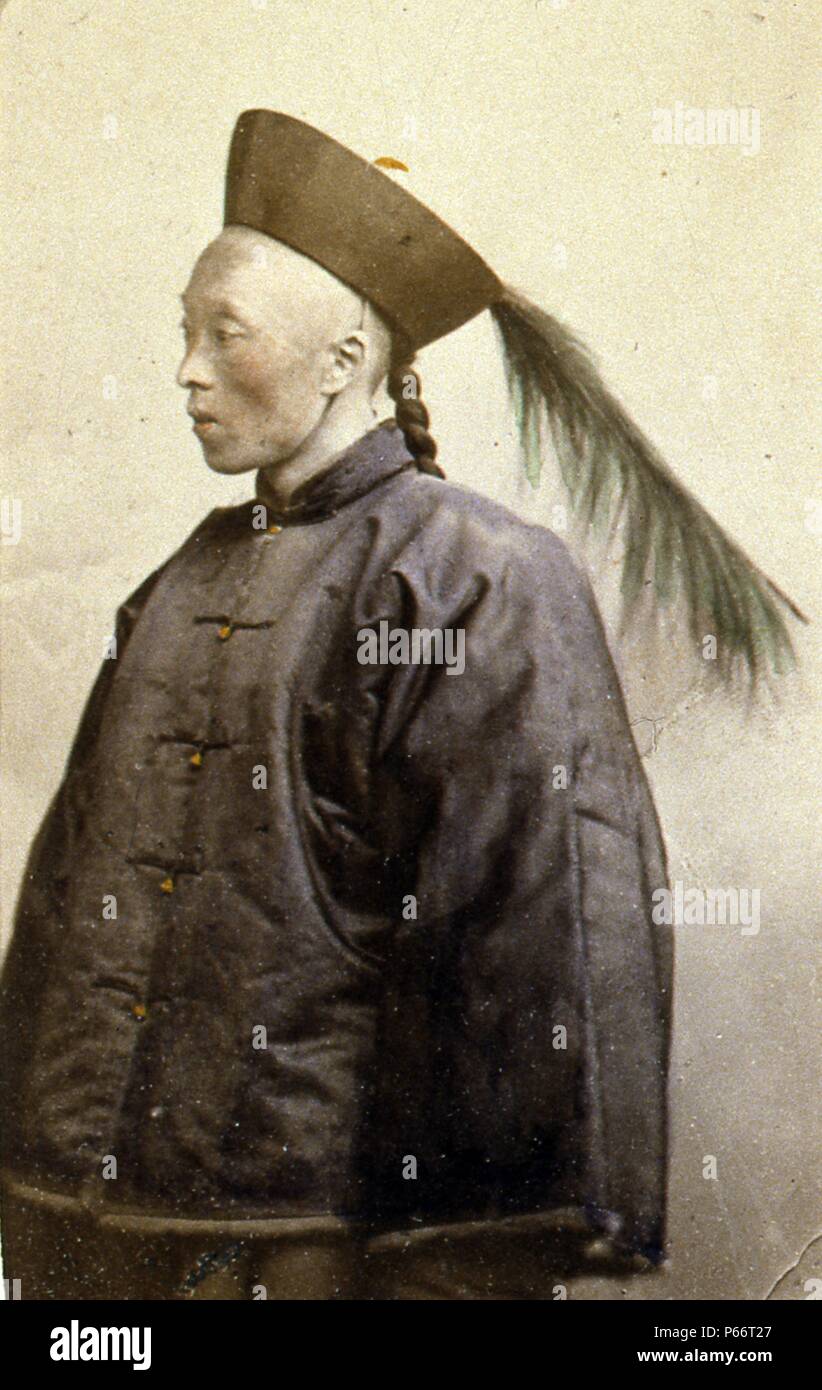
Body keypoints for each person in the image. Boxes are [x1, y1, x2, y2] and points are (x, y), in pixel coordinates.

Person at [11, 106, 792, 1301]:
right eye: (184, 332)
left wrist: (451, 1271)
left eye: (227, 334)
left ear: (346, 362)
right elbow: (67, 903)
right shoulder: (170, 593)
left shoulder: (482, 579)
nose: (186, 369)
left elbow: (540, 938)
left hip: (323, 1255)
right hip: (103, 1251)